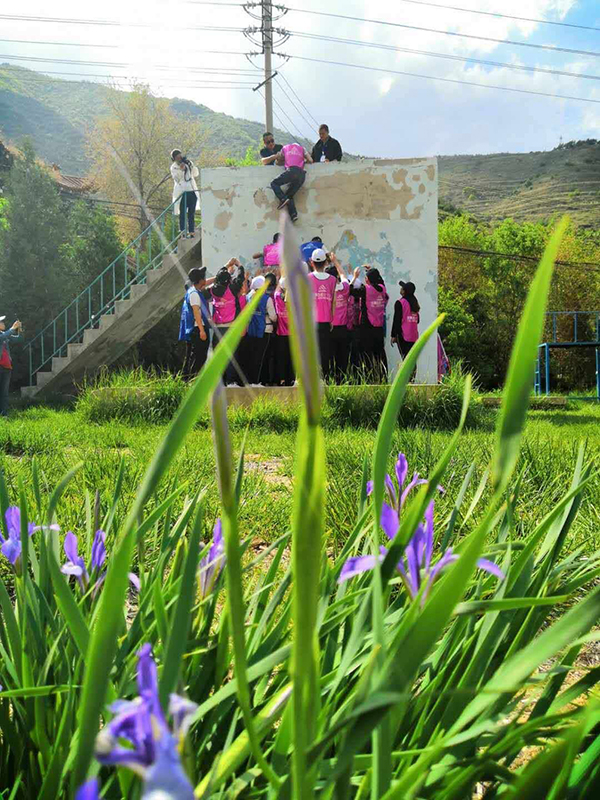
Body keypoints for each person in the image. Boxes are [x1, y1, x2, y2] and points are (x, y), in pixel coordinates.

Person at [211, 258, 246, 385]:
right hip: (230, 327)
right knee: (231, 355)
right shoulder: (232, 289)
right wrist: (239, 265)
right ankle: (231, 381)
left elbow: (218, 277)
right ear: (229, 280)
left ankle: (219, 382)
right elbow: (240, 278)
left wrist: (226, 265)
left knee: (218, 355)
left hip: (217, 328)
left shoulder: (212, 290)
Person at [350, 266, 389, 381]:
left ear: (368, 279)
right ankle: (383, 378)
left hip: (366, 327)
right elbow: (380, 281)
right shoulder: (382, 289)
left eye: (366, 277)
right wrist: (371, 270)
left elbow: (350, 291)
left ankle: (369, 378)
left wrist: (354, 277)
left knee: (367, 355)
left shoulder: (366, 289)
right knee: (380, 354)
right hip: (378, 327)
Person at [179, 267, 214, 380]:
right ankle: (193, 380)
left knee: (195, 356)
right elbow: (196, 312)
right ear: (201, 280)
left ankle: (189, 379)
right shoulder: (194, 293)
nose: (205, 279)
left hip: (196, 328)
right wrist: (202, 331)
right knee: (199, 357)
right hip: (198, 328)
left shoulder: (194, 290)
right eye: (204, 278)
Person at [307, 248, 337, 378]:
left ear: (311, 262)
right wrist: (332, 319)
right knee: (325, 352)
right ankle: (324, 378)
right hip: (326, 321)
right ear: (325, 263)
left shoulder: (307, 278)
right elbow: (334, 302)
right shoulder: (333, 280)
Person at [246, 274, 277, 384]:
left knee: (251, 356)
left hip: (251, 330)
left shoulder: (248, 297)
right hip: (264, 330)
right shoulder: (267, 299)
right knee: (261, 357)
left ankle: (250, 380)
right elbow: (273, 317)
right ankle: (257, 381)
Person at [270, 142, 313, 223]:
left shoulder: (285, 148)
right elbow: (310, 160)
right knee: (289, 195)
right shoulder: (303, 149)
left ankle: (283, 199)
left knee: (274, 183)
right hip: (301, 175)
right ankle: (293, 215)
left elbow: (278, 161)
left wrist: (285, 160)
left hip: (291, 171)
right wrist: (302, 161)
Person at [325, 254, 351, 382]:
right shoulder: (345, 288)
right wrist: (335, 261)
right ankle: (342, 381)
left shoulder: (327, 291)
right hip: (343, 329)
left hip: (329, 329)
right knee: (342, 358)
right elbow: (343, 274)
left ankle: (329, 381)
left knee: (329, 357)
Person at [170, 149, 199, 238]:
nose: (179, 158)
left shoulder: (187, 163)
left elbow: (195, 174)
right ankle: (182, 232)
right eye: (177, 157)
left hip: (192, 190)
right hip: (182, 192)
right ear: (174, 158)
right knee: (182, 213)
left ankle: (191, 231)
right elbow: (177, 179)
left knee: (191, 213)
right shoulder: (173, 167)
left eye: (180, 156)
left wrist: (190, 165)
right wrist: (181, 169)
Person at [391, 281, 420, 360]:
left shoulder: (400, 303)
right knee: (412, 360)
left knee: (405, 359)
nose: (400, 289)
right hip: (414, 336)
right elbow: (417, 320)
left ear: (404, 291)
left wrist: (394, 335)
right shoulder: (415, 303)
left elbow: (396, 321)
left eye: (402, 288)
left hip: (403, 336)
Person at [0, 316, 22, 417]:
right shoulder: (3, 336)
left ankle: (4, 414)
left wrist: (19, 330)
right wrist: (13, 328)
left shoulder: (4, 334)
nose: (3, 323)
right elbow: (2, 337)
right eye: (1, 322)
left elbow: (18, 340)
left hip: (7, 368)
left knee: (4, 393)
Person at [274, 277, 294, 386]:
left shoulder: (277, 297)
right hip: (293, 334)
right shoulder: (295, 299)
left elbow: (277, 290)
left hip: (281, 333)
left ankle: (282, 379)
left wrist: (280, 279)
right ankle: (291, 378)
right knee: (291, 357)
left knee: (281, 357)